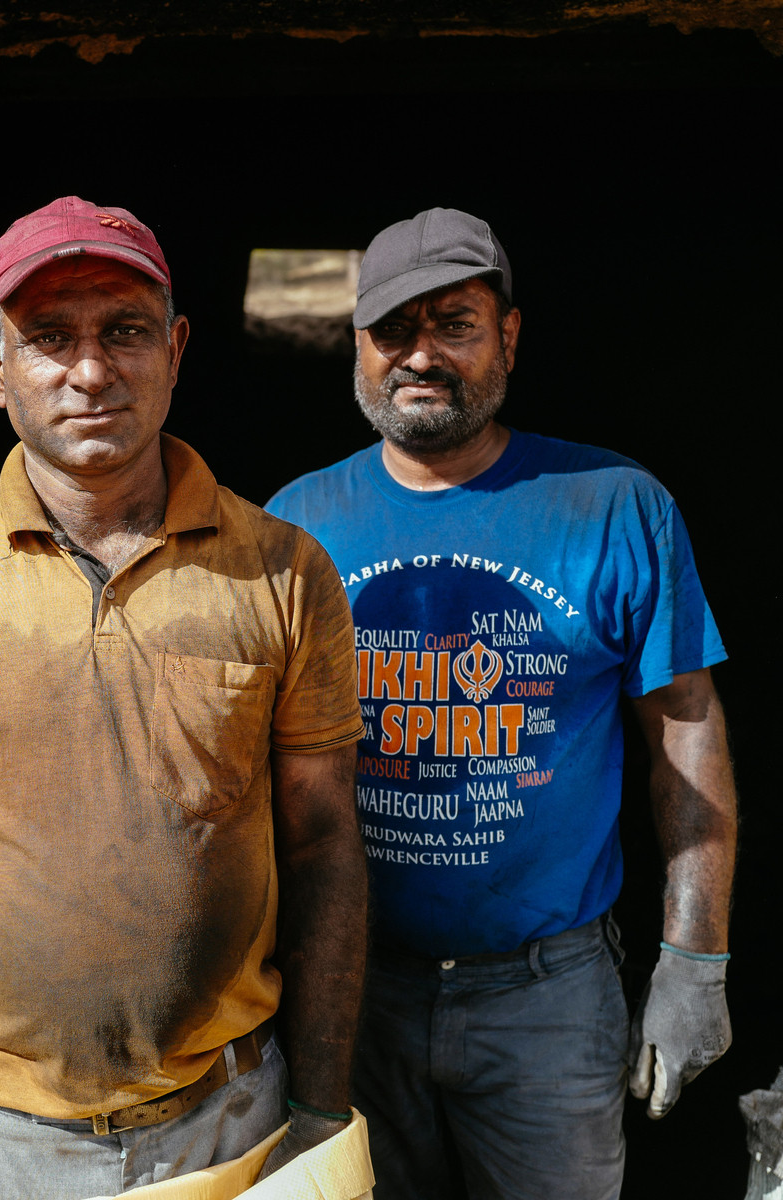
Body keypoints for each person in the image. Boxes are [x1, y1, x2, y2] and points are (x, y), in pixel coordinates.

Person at [0, 196, 369, 1200]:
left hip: (231, 1118)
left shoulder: (285, 573)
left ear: (176, 347)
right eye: (49, 339)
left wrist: (321, 1112)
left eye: (124, 331)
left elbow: (327, 847)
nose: (90, 370)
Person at [264, 208, 739, 1200]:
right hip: (351, 991)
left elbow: (685, 731)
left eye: (455, 324)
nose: (421, 355)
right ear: (356, 345)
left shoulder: (613, 503)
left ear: (509, 338)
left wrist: (696, 962)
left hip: (548, 1001)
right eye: (393, 329)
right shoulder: (293, 524)